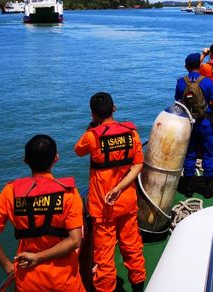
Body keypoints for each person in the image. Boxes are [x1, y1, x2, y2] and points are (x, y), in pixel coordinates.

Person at [0, 134, 85, 292]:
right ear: (56, 158)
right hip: (64, 280)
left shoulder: (10, 193)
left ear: (26, 160)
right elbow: (75, 241)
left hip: (28, 279)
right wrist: (39, 258)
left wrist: (8, 266)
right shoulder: (69, 194)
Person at [74, 93, 146, 292]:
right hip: (127, 201)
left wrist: (92, 126)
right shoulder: (131, 133)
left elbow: (78, 150)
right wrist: (120, 188)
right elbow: (138, 164)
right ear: (114, 108)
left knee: (104, 258)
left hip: (103, 207)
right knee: (132, 248)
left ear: (93, 113)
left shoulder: (92, 136)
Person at [176, 52, 213, 198]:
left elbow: (178, 104)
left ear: (186, 66)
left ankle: (188, 187)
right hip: (206, 123)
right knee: (209, 154)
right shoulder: (207, 82)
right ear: (200, 66)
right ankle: (208, 188)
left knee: (190, 154)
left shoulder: (180, 82)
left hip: (189, 124)